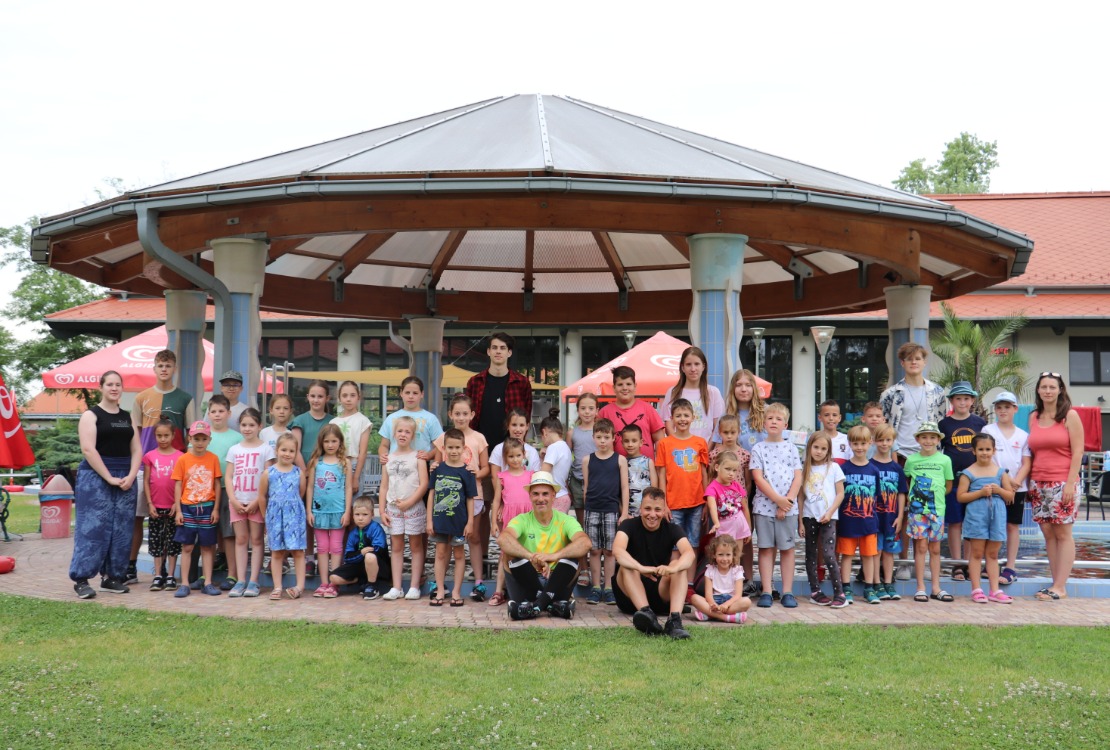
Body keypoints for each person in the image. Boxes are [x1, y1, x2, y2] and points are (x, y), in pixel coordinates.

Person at [70, 370, 141, 599]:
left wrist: (131, 475)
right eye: (109, 384)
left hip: (125, 476)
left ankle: (112, 577)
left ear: (122, 388)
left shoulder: (127, 416)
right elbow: (88, 450)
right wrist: (108, 477)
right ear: (101, 387)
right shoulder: (91, 416)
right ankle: (81, 579)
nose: (114, 388)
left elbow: (137, 449)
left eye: (118, 384)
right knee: (93, 528)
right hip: (95, 476)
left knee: (122, 529)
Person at [130, 349, 195, 584]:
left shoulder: (185, 398)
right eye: (160, 365)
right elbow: (135, 434)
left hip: (176, 469)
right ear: (154, 368)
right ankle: (130, 566)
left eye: (168, 365)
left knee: (174, 518)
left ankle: (171, 571)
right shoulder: (140, 398)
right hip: (144, 467)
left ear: (174, 368)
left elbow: (191, 434)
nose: (164, 369)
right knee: (138, 517)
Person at [498, 471, 592, 621]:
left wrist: (552, 556)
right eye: (535, 494)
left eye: (545, 494)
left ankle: (535, 606)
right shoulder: (521, 519)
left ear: (553, 496)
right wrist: (532, 557)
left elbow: (585, 543)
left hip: (556, 579)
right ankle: (550, 604)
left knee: (576, 554)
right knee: (508, 555)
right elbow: (503, 539)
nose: (540, 499)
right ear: (530, 496)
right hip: (529, 578)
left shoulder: (565, 520)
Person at [1027, 372, 1084, 601]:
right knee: (1048, 533)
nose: (1048, 391)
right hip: (1038, 482)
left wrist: (1070, 483)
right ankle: (1054, 584)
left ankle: (1061, 586)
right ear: (1038, 391)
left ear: (1060, 390)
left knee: (1063, 532)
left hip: (1063, 482)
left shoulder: (1070, 416)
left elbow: (1078, 451)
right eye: (1044, 387)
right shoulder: (1033, 417)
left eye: (1052, 387)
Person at [611, 487, 694, 639]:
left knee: (678, 564)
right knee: (626, 565)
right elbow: (618, 551)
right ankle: (646, 614)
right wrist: (640, 568)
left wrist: (671, 569)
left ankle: (674, 621)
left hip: (660, 590)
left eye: (657, 510)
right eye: (647, 509)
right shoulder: (627, 525)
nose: (652, 514)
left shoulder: (672, 529)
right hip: (630, 595)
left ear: (664, 511)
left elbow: (689, 553)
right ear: (640, 509)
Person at [432, 394, 490, 602]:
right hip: (447, 497)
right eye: (457, 413)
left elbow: (486, 469)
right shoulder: (443, 438)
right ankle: (443, 583)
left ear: (472, 414)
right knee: (446, 540)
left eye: (465, 413)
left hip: (473, 495)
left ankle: (478, 581)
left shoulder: (479, 438)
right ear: (450, 414)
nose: (461, 417)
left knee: (472, 536)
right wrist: (432, 464)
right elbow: (438, 467)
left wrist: (475, 472)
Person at [749, 402, 802, 608]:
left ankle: (788, 591)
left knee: (787, 549)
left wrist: (786, 501)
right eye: (770, 418)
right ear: (763, 422)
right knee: (766, 548)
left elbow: (798, 476)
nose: (774, 422)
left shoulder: (791, 448)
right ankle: (767, 590)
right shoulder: (758, 449)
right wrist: (777, 500)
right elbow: (758, 478)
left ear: (785, 424)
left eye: (778, 419)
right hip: (764, 507)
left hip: (788, 508)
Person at [956, 434, 1016, 604]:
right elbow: (961, 497)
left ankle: (995, 590)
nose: (984, 453)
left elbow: (1010, 495)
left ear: (994, 450)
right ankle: (976, 589)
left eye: (988, 449)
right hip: (976, 516)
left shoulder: (1000, 472)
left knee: (992, 553)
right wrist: (980, 493)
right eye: (981, 449)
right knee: (976, 552)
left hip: (996, 516)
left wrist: (998, 490)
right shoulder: (968, 473)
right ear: (974, 451)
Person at [982, 391, 1031, 585]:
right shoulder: (988, 430)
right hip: (994, 485)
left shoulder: (1023, 435)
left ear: (1015, 409)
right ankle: (990, 563)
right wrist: (1004, 482)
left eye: (1007, 407)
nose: (1003, 411)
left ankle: (1010, 566)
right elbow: (986, 458)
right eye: (999, 407)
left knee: (1012, 526)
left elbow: (1026, 463)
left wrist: (1016, 482)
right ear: (995, 409)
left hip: (1017, 488)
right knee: (992, 525)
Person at [378, 416, 429, 601]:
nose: (403, 434)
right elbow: (384, 486)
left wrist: (410, 502)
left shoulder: (418, 457)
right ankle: (397, 586)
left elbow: (424, 484)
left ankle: (414, 586)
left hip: (413, 507)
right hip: (393, 508)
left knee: (416, 546)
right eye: (400, 431)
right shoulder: (388, 459)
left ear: (413, 435)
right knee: (396, 546)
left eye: (407, 432)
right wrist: (382, 510)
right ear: (394, 434)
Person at [223, 408, 273, 598]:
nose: (247, 428)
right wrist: (233, 499)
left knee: (258, 540)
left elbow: (268, 477)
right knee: (241, 540)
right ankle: (240, 580)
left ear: (259, 426)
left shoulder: (266, 449)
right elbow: (229, 477)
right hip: (237, 501)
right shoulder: (234, 449)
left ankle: (254, 581)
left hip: (256, 503)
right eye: (244, 425)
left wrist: (258, 501)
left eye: (251, 425)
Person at [939, 381, 987, 578]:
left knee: (972, 522)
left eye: (966, 399)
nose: (962, 402)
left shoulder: (979, 423)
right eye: (958, 398)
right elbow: (938, 451)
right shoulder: (944, 424)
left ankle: (969, 562)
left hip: (974, 480)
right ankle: (956, 563)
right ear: (952, 401)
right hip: (953, 480)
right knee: (954, 522)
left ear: (972, 401)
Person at [170, 421, 223, 598]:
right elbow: (178, 485)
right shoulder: (183, 459)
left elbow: (216, 483)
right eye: (196, 438)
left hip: (207, 507)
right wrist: (178, 510)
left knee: (208, 546)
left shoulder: (213, 458)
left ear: (209, 439)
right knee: (187, 546)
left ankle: (207, 582)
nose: (199, 442)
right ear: (189, 438)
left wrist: (216, 509)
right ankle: (184, 583)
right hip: (188, 507)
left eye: (203, 439)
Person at [904, 422, 955, 603]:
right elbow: (908, 480)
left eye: (932, 437)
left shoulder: (945, 460)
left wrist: (937, 499)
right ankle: (920, 587)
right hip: (917, 511)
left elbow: (948, 485)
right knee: (921, 547)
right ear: (918, 439)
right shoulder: (912, 460)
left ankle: (936, 587)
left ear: (938, 440)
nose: (928, 441)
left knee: (935, 548)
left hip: (937, 511)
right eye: (924, 437)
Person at [724, 368, 766, 586]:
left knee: (764, 534)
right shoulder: (728, 417)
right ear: (733, 389)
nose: (743, 389)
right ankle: (745, 578)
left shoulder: (765, 413)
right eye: (739, 385)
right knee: (743, 533)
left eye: (748, 385)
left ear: (754, 389)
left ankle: (766, 581)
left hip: (764, 483)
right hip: (737, 485)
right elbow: (717, 446)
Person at [427, 429, 478, 607]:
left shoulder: (467, 472)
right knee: (440, 554)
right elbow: (431, 495)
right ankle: (440, 589)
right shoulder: (437, 469)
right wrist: (429, 520)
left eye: (457, 447)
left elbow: (471, 498)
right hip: (440, 520)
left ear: (464, 448)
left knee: (458, 554)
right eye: (450, 447)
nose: (454, 451)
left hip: (459, 522)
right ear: (443, 448)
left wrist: (470, 522)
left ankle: (456, 591)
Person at [581, 418, 629, 605]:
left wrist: (624, 512)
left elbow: (624, 487)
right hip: (592, 509)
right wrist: (587, 507)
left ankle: (608, 587)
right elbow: (586, 486)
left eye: (606, 437)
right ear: (593, 437)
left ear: (613, 438)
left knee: (609, 551)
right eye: (599, 437)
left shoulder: (620, 460)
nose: (602, 441)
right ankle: (595, 587)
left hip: (611, 510)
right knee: (594, 550)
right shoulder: (587, 460)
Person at [799, 433, 847, 608]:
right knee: (811, 554)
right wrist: (799, 522)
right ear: (809, 447)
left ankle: (839, 592)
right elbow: (801, 498)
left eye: (823, 448)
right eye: (816, 447)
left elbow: (840, 493)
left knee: (828, 553)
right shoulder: (804, 469)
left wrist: (830, 512)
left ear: (828, 450)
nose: (819, 451)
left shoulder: (833, 468)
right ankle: (815, 591)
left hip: (829, 517)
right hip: (809, 517)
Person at [258, 433, 307, 600]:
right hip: (275, 518)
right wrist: (267, 517)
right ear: (277, 450)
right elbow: (262, 496)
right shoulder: (268, 473)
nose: (287, 454)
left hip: (294, 516)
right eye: (284, 449)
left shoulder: (298, 473)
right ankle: (277, 586)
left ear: (296, 453)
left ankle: (299, 586)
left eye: (291, 451)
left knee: (298, 551)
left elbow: (300, 493)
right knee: (277, 552)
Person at [655, 399, 710, 545]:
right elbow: (662, 475)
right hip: (673, 504)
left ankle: (691, 569)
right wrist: (663, 503)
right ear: (672, 418)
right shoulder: (664, 444)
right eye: (678, 416)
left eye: (686, 415)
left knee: (694, 543)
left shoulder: (700, 442)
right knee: (674, 545)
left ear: (693, 417)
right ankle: (677, 569)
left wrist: (706, 502)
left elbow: (704, 473)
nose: (682, 419)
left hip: (697, 502)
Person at [880, 343, 948, 461]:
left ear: (924, 362)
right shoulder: (890, 394)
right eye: (909, 359)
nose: (913, 362)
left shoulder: (937, 392)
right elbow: (883, 425)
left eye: (917, 359)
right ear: (902, 363)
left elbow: (942, 422)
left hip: (930, 454)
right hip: (900, 454)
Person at [306, 425, 352, 599]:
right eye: (327, 441)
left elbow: (348, 488)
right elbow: (310, 488)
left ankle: (334, 583)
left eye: (334, 441)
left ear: (340, 442)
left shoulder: (344, 462)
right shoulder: (316, 462)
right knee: (323, 548)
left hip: (338, 511)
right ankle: (324, 582)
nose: (330, 444)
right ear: (321, 443)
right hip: (319, 512)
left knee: (336, 547)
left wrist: (347, 511)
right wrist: (309, 510)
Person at [838, 425, 882, 605]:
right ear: (849, 444)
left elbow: (876, 496)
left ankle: (869, 588)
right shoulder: (844, 469)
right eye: (855, 443)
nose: (859, 447)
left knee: (869, 555)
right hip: (847, 522)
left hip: (868, 522)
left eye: (863, 443)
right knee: (847, 555)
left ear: (870, 443)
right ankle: (846, 587)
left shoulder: (874, 470)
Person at [489, 438, 533, 606]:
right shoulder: (502, 477)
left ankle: (529, 589)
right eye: (511, 456)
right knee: (505, 555)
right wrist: (493, 522)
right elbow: (496, 500)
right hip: (510, 520)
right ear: (505, 458)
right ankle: (499, 591)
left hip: (528, 519)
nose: (515, 460)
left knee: (528, 551)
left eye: (518, 455)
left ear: (524, 455)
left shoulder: (531, 475)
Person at [206, 395, 242, 592]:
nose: (217, 415)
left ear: (229, 414)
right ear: (208, 414)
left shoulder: (236, 438)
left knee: (228, 533)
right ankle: (207, 575)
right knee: (208, 532)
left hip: (228, 490)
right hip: (205, 490)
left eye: (221, 411)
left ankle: (232, 574)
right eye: (214, 411)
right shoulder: (202, 435)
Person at [143, 419, 184, 592]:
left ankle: (171, 576)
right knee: (156, 540)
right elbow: (146, 481)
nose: (163, 439)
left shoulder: (180, 457)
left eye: (166, 435)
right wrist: (150, 503)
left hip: (174, 507)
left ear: (173, 435)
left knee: (173, 541)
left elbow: (182, 482)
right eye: (159, 435)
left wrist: (177, 502)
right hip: (156, 506)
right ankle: (158, 574)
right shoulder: (150, 456)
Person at [659, 346, 725, 445]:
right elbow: (668, 424)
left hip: (706, 452)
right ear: (682, 367)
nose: (693, 369)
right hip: (679, 451)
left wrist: (706, 450)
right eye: (689, 364)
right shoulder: (673, 392)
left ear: (703, 366)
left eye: (697, 364)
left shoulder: (713, 392)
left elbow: (718, 427)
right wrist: (681, 446)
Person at [871, 425, 907, 600]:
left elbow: (901, 493)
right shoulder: (870, 465)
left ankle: (888, 582)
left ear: (893, 442)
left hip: (892, 517)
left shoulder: (897, 468)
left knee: (889, 551)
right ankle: (876, 583)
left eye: (888, 440)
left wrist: (900, 517)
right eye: (880, 440)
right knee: (875, 551)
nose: (884, 444)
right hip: (875, 517)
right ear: (874, 441)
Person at [329, 496, 391, 600]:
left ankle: (372, 586)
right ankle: (359, 580)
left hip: (379, 565)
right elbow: (347, 557)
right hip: (359, 565)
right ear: (352, 516)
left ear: (372, 514)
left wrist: (365, 554)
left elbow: (379, 550)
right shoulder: (353, 533)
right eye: (357, 514)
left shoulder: (376, 528)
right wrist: (361, 553)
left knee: (370, 556)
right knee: (333, 577)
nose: (360, 518)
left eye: (364, 514)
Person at [599, 365, 665, 459]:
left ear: (635, 386)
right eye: (620, 384)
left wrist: (659, 466)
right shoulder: (604, 413)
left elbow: (660, 440)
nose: (625, 388)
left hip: (646, 470)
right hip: (615, 470)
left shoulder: (648, 409)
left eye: (629, 384)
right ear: (614, 388)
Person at [377, 375, 442, 462]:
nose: (411, 396)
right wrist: (383, 455)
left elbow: (440, 446)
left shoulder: (431, 418)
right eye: (407, 392)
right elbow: (384, 445)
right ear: (401, 393)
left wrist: (429, 455)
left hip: (421, 466)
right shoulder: (391, 418)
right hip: (395, 465)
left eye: (415, 393)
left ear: (422, 394)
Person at [690, 534, 750, 623]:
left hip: (731, 602)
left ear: (733, 555)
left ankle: (709, 614)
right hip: (715, 600)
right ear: (714, 555)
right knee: (694, 598)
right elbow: (708, 594)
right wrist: (712, 604)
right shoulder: (710, 570)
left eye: (728, 555)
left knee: (747, 602)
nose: (724, 559)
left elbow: (738, 595)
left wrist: (726, 605)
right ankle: (727, 617)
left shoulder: (737, 570)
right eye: (721, 554)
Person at [331, 380, 372, 494]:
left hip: (354, 466)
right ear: (339, 398)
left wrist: (355, 478)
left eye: (352, 395)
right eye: (344, 395)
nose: (348, 399)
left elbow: (362, 452)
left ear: (358, 397)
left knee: (355, 506)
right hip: (337, 465)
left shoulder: (363, 421)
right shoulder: (333, 422)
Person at [705, 451, 751, 545]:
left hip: (740, 524)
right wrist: (716, 523)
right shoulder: (712, 488)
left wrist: (748, 529)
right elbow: (712, 507)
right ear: (717, 467)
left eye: (734, 470)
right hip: (724, 526)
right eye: (728, 469)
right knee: (725, 555)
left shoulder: (737, 485)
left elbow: (745, 508)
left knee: (736, 556)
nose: (731, 474)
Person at [567, 392, 599, 526]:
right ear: (578, 410)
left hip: (597, 478)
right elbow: (567, 457)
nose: (587, 412)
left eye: (591, 409)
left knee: (596, 516)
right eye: (583, 408)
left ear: (597, 410)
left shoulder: (601, 432)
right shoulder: (572, 432)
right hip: (577, 479)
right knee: (581, 519)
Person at [539, 408, 573, 513]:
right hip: (563, 495)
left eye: (541, 437)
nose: (542, 440)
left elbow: (543, 474)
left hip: (555, 497)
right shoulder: (566, 447)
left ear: (544, 433)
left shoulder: (553, 448)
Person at [488, 408, 542, 474]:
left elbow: (536, 477)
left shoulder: (533, 452)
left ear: (527, 426)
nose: (518, 429)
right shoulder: (499, 449)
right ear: (508, 425)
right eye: (514, 425)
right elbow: (495, 477)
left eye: (522, 425)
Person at [621, 424, 656, 517]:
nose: (630, 444)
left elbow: (654, 489)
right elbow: (617, 492)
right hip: (628, 514)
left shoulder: (648, 462)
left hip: (646, 513)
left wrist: (651, 510)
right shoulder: (620, 462)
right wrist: (623, 513)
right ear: (622, 443)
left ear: (641, 442)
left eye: (634, 441)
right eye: (626, 441)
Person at [260, 394, 299, 465]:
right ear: (271, 410)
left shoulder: (293, 433)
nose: (281, 411)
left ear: (291, 411)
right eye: (277, 408)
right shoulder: (264, 432)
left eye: (286, 408)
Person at [816, 400, 851, 464]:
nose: (831, 418)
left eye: (834, 415)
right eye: (826, 415)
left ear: (839, 418)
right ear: (820, 418)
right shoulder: (815, 439)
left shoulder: (847, 440)